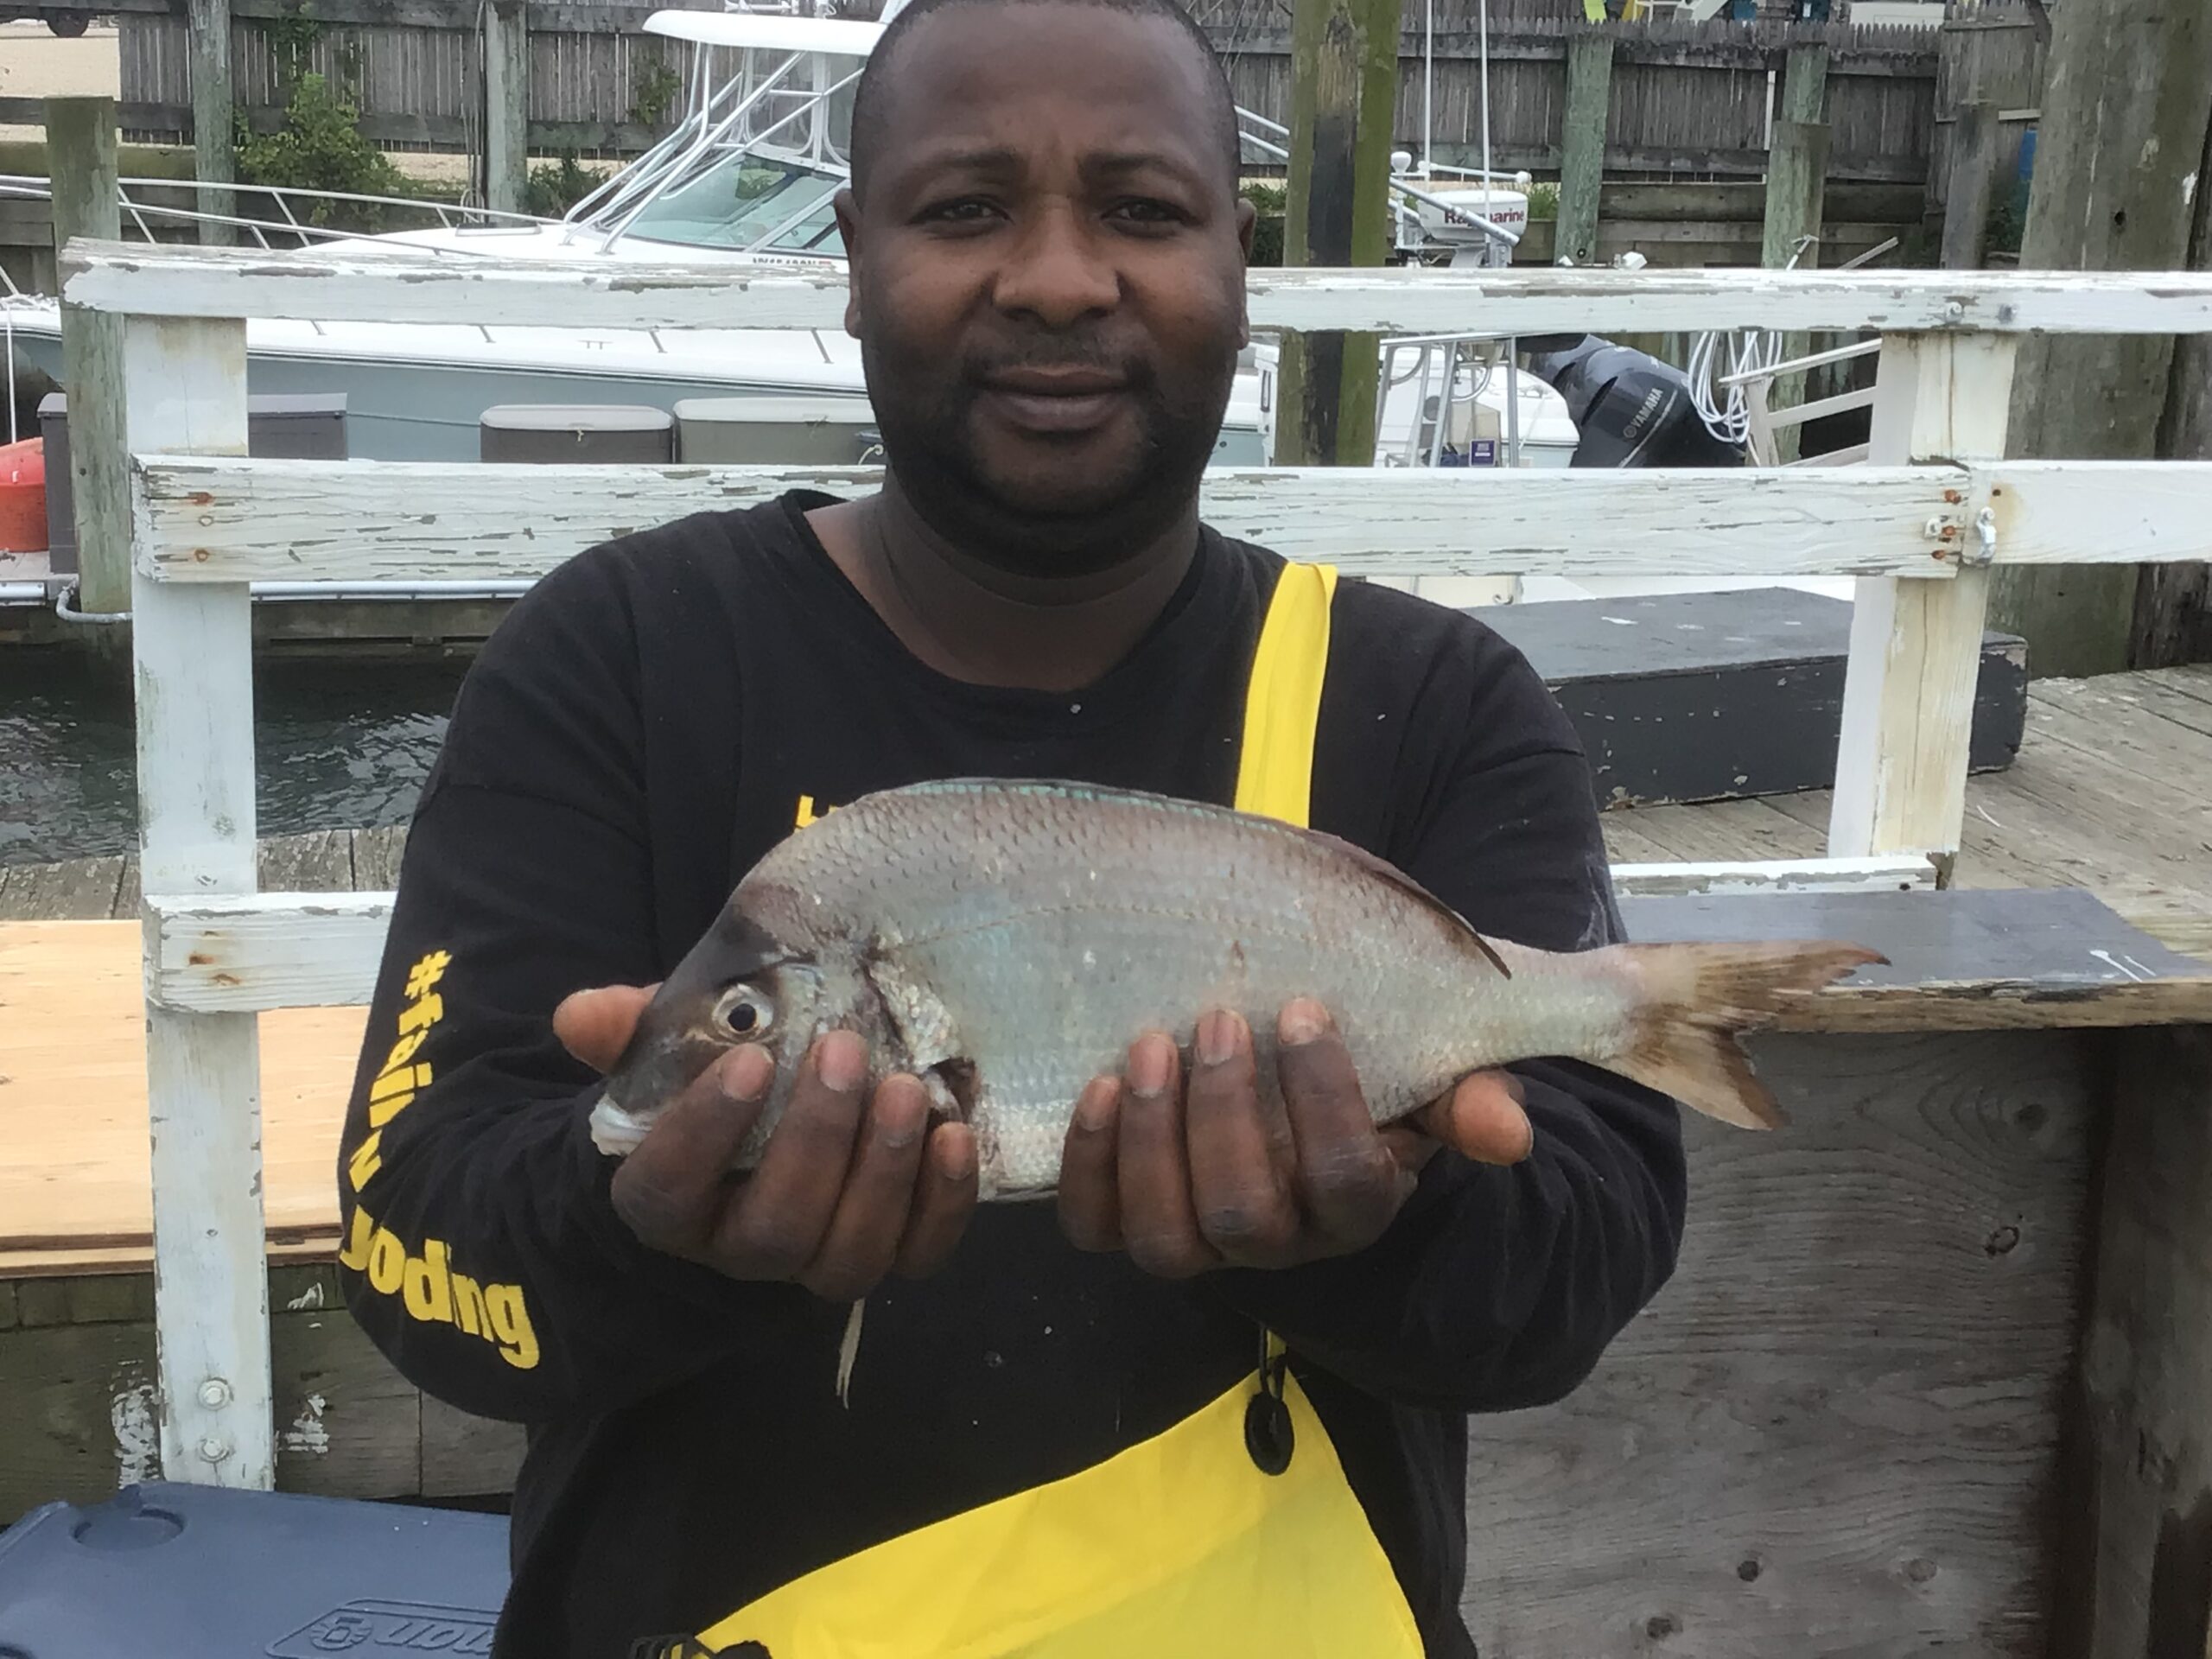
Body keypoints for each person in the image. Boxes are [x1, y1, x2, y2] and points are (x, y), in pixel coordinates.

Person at [334, 0, 1688, 1652]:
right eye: (966, 208)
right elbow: (414, 1257)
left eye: (1142, 209)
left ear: (1237, 260)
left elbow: (1580, 1268)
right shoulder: (621, 656)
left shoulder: (1434, 699)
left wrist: (1366, 1228)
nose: (1058, 279)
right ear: (851, 254)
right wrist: (651, 1230)